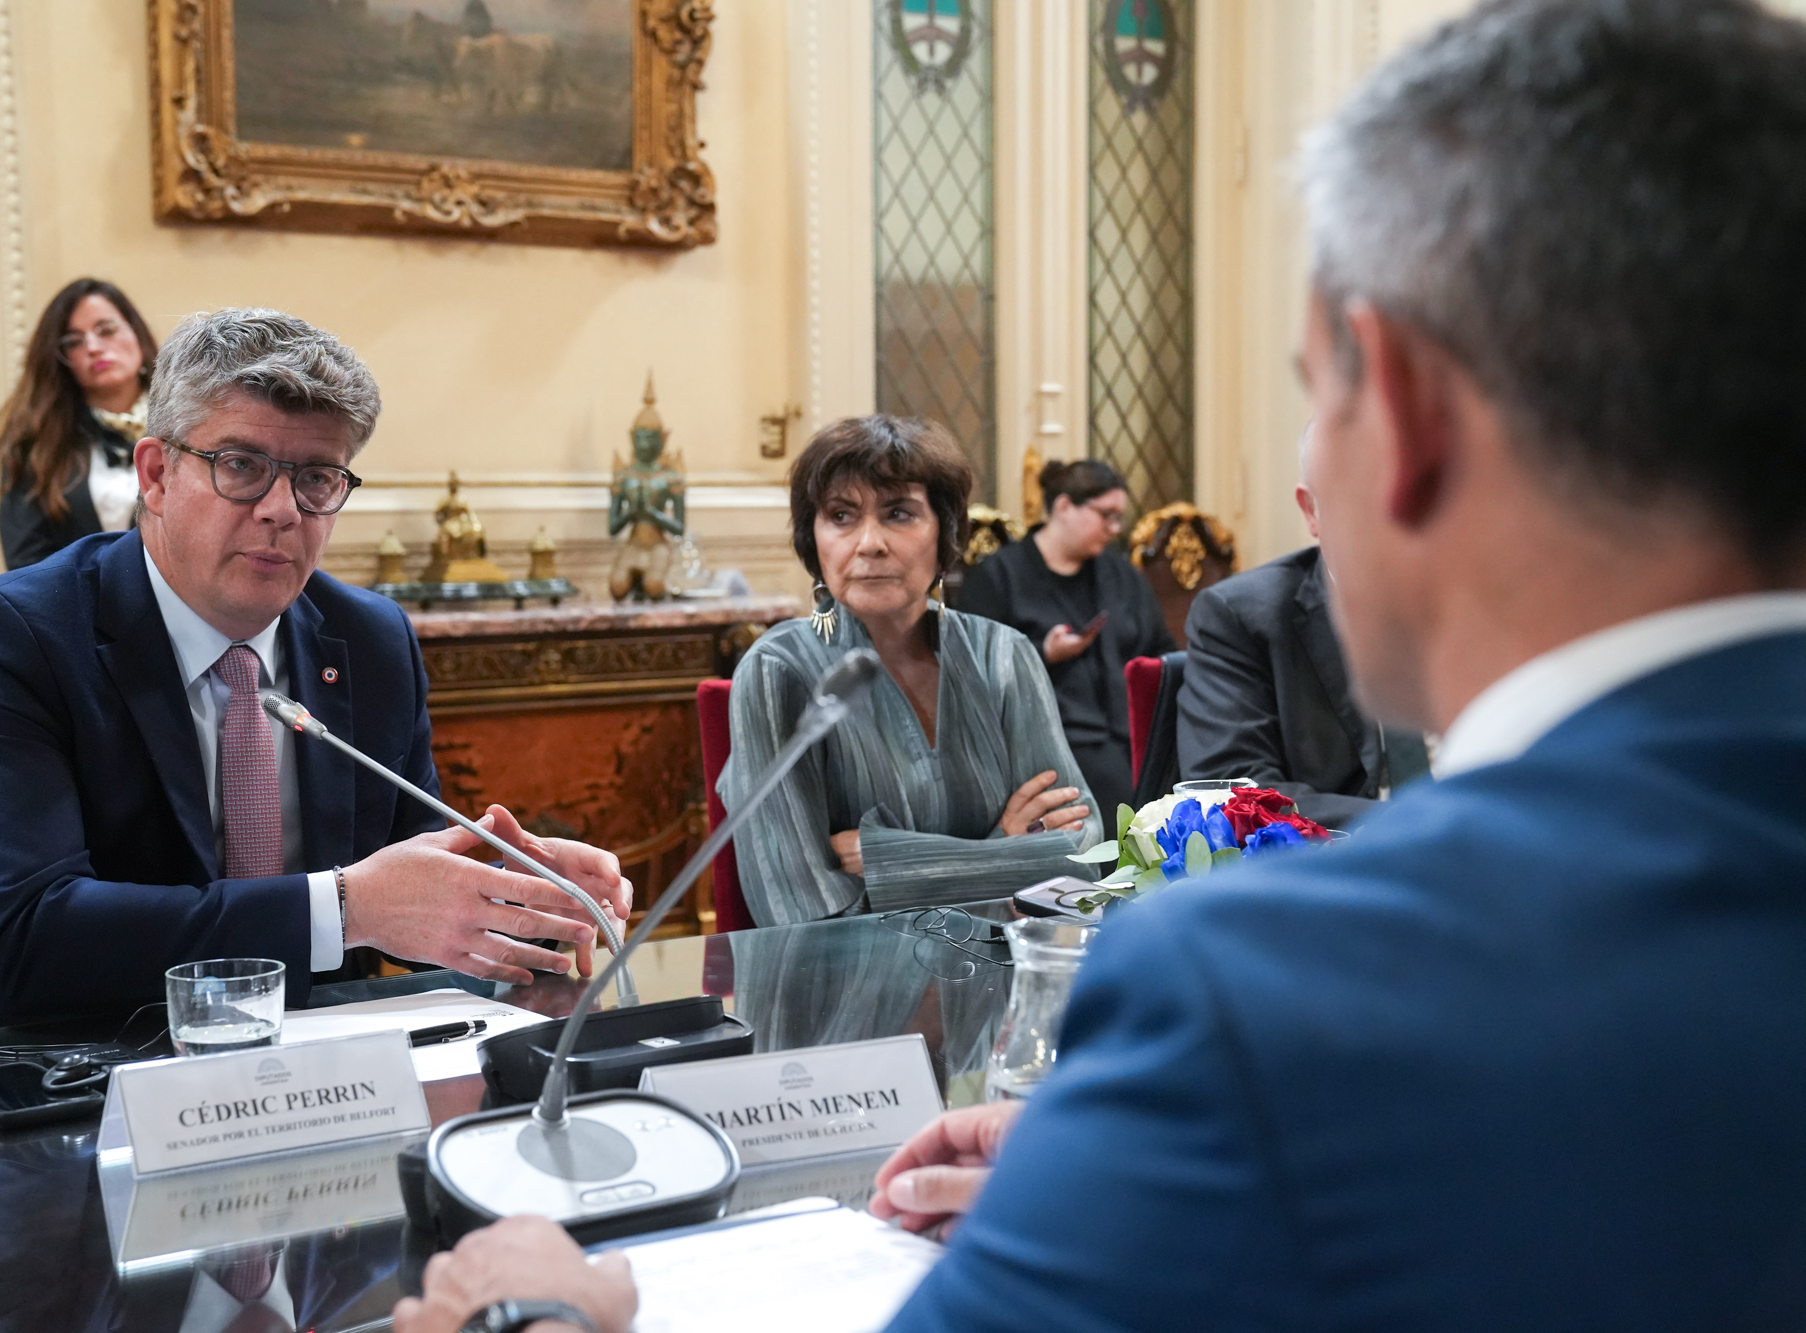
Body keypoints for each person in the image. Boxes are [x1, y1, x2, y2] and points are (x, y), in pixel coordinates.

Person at [391, 1, 1806, 1328]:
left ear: (1411, 410)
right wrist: (1127, 1169)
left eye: (1314, 396)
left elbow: (1089, 853)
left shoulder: (1271, 1002)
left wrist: (567, 1309)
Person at [0, 308, 630, 1037]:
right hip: (38, 1076)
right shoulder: (6, 637)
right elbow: (29, 938)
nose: (283, 511)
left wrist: (522, 901)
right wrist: (347, 908)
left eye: (316, 478)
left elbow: (414, 894)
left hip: (304, 1074)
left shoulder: (371, 640)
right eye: (242, 466)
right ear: (156, 474)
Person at [719, 415, 1100, 926]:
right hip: (848, 996)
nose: (869, 542)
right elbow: (799, 910)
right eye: (841, 515)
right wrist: (1004, 852)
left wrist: (880, 859)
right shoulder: (777, 671)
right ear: (814, 539)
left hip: (1001, 978)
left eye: (899, 513)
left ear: (945, 534)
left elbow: (1082, 855)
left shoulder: (1004, 655)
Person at [1177, 431, 1429, 826]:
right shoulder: (1242, 617)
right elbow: (1239, 792)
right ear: (1311, 510)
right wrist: (1424, 821)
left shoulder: (1482, 596)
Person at [955, 458, 1175, 820]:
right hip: (1052, 742)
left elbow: (1162, 650)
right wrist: (1043, 653)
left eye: (1119, 517)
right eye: (1106, 515)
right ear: (1063, 507)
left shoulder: (1121, 574)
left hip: (1132, 735)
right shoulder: (999, 577)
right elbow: (973, 670)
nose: (1115, 528)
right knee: (1129, 806)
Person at [0, 278, 158, 570]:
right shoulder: (36, 445)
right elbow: (26, 566)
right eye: (74, 341)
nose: (93, 347)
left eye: (106, 330)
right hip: (78, 610)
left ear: (137, 335)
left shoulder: (189, 427)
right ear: (62, 360)